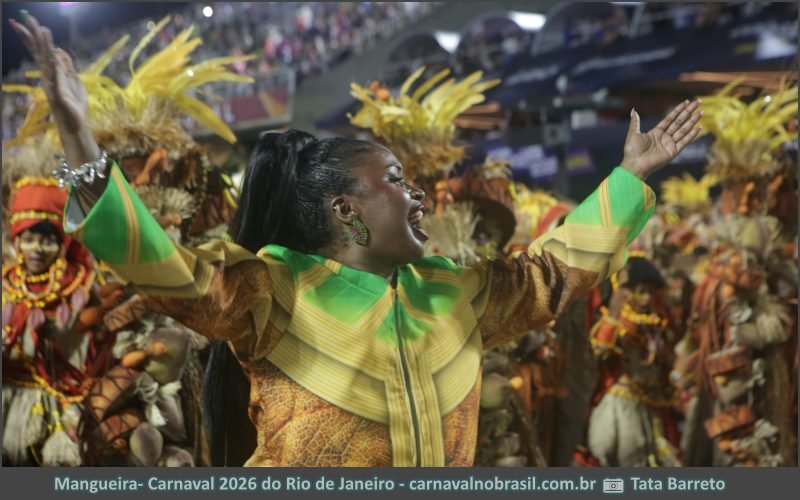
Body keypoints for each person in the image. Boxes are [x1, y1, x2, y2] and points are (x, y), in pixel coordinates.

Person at [10, 13, 702, 467]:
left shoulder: (455, 294)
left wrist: (630, 178)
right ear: (347, 210)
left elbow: (553, 275)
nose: (420, 193)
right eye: (397, 180)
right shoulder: (271, 290)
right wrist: (80, 140)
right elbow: (166, 269)